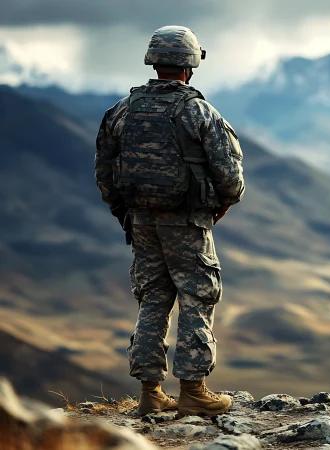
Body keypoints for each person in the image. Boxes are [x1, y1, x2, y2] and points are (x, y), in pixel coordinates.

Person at [94, 25, 245, 417]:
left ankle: (151, 392)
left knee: (153, 297)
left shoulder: (122, 110)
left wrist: (127, 211)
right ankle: (193, 391)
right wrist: (222, 204)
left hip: (141, 220)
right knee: (197, 295)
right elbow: (229, 174)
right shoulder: (198, 111)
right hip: (187, 220)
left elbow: (104, 171)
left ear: (153, 61)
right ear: (190, 65)